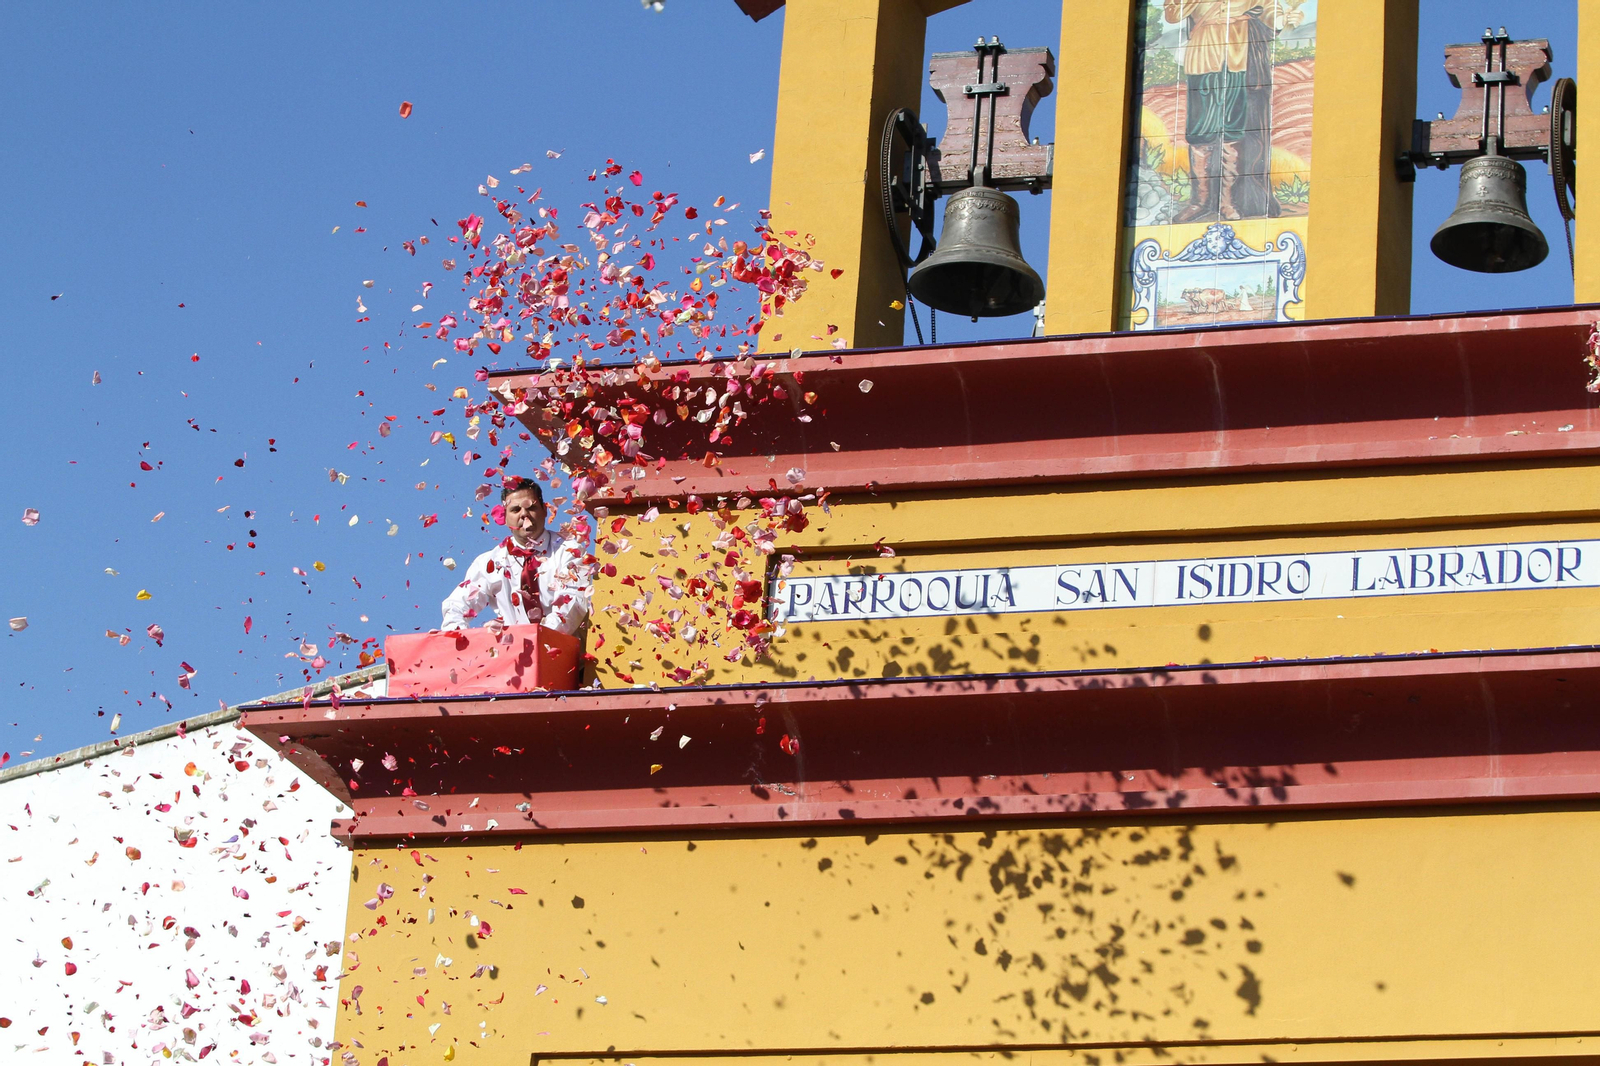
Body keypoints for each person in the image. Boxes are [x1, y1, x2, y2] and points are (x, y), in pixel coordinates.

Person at [1164, 0, 1305, 223]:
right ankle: (1199, 202)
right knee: (1200, 134)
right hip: (1202, 62)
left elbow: (1270, 10)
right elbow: (1172, 14)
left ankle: (1227, 203)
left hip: (1236, 62)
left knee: (1232, 132)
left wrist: (1282, 19)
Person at [440, 477, 592, 635]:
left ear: (545, 510)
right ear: (504, 517)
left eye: (531, 507)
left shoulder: (569, 551)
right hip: (512, 654)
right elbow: (457, 606)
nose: (524, 514)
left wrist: (538, 638)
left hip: (563, 651)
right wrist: (463, 641)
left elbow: (572, 604)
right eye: (515, 510)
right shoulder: (489, 562)